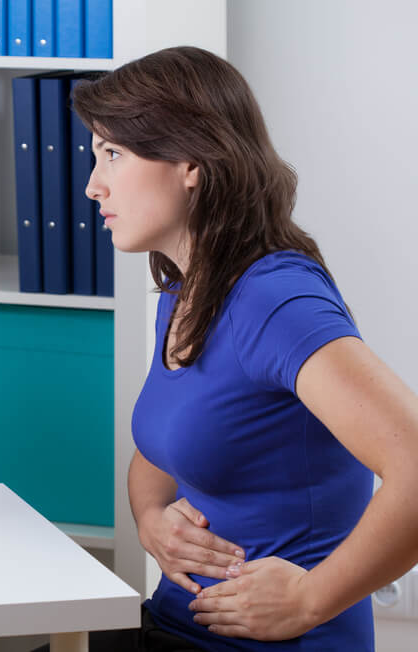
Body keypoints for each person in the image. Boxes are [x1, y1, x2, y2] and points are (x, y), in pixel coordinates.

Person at [73, 46, 418, 650]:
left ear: (190, 162)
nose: (92, 185)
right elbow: (164, 448)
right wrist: (153, 522)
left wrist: (310, 599)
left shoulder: (275, 300)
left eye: (113, 154)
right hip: (177, 625)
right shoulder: (184, 290)